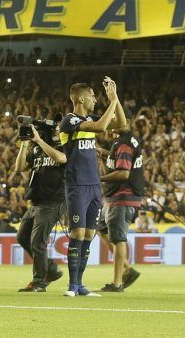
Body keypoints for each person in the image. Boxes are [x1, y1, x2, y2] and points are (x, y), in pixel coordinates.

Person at [51, 77, 119, 297]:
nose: (95, 99)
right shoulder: (68, 121)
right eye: (92, 95)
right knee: (78, 233)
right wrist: (113, 100)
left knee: (89, 235)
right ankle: (71, 285)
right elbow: (101, 127)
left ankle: (80, 285)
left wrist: (115, 101)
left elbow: (119, 124)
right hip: (77, 185)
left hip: (94, 186)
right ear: (80, 98)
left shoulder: (90, 118)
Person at [97, 92, 145, 293]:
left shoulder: (124, 143)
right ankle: (126, 269)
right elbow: (120, 160)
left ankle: (117, 283)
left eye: (113, 116)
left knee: (118, 238)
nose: (109, 120)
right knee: (102, 229)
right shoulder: (125, 140)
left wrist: (98, 179)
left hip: (122, 197)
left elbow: (123, 173)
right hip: (117, 197)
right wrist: (104, 153)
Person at [12, 121, 66, 292]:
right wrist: (25, 143)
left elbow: (61, 159)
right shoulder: (34, 149)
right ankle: (50, 269)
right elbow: (19, 167)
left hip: (53, 202)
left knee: (37, 242)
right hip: (36, 202)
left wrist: (40, 142)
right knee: (22, 237)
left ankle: (39, 282)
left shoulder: (62, 145)